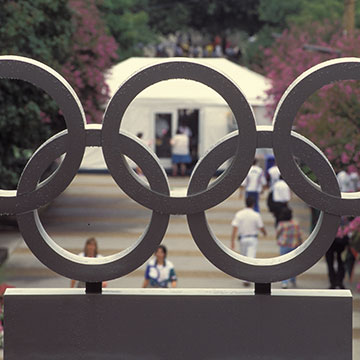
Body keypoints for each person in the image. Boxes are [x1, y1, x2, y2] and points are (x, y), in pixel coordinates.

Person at [231, 197, 267, 286]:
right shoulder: (256, 215)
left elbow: (235, 227)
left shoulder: (239, 214)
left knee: (243, 258)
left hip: (242, 238)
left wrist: (232, 241)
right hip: (253, 238)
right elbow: (261, 226)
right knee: (251, 258)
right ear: (253, 204)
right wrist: (264, 233)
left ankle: (245, 278)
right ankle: (248, 278)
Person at [276, 207, 302, 289]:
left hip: (284, 245)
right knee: (293, 263)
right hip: (294, 245)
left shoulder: (281, 224)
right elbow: (299, 235)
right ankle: (293, 279)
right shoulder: (295, 223)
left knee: (283, 264)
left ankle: (284, 282)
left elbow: (278, 233)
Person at [326, 217, 349, 289]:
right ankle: (338, 281)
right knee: (341, 260)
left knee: (331, 261)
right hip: (341, 238)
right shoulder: (346, 210)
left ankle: (334, 282)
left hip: (331, 238)